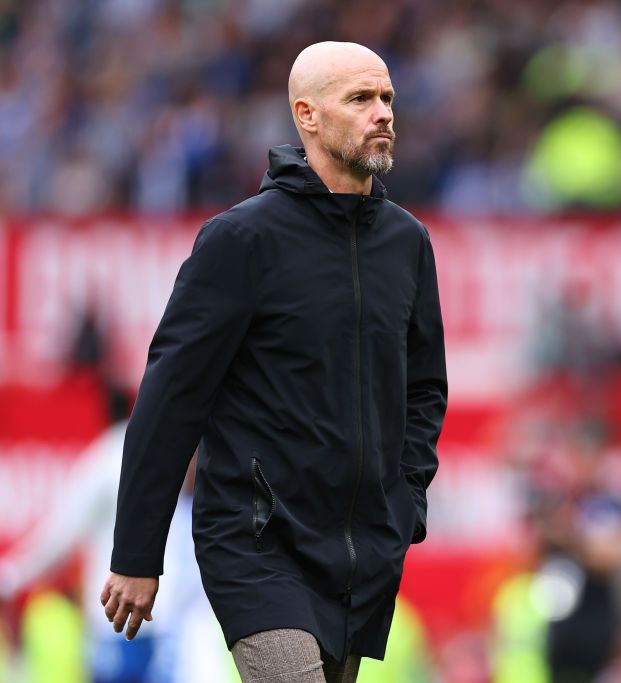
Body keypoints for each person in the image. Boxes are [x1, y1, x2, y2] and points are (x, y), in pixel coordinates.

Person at [101, 41, 447, 683]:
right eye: (361, 99)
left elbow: (425, 388)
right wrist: (137, 553)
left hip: (362, 553)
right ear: (307, 116)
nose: (383, 114)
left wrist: (406, 500)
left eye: (387, 98)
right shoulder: (241, 240)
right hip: (257, 543)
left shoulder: (408, 244)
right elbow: (171, 398)